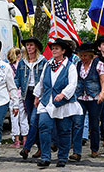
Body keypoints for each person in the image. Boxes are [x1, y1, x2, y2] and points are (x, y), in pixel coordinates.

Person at [33, 38, 83, 168]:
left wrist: (63, 94)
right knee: (44, 127)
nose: (54, 50)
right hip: (47, 101)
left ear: (63, 51)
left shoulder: (70, 67)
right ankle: (45, 157)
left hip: (64, 104)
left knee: (64, 130)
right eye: (53, 48)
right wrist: (37, 96)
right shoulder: (47, 64)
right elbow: (42, 81)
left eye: (56, 48)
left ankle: (62, 157)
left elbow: (73, 84)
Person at [16, 37, 47, 159]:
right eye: (27, 45)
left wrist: (39, 94)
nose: (29, 47)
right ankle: (40, 148)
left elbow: (45, 79)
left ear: (36, 47)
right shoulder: (23, 62)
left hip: (38, 93)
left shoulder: (43, 61)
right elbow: (18, 77)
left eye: (31, 45)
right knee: (31, 121)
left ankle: (26, 148)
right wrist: (13, 90)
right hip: (27, 93)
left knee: (34, 119)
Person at [75, 42, 104, 158]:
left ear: (91, 55)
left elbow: (103, 81)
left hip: (94, 98)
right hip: (80, 98)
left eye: (85, 56)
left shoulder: (99, 65)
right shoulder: (77, 65)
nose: (83, 58)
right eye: (81, 55)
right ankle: (77, 152)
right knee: (78, 124)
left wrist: (102, 93)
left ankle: (94, 149)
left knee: (94, 124)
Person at [7, 47, 29, 148]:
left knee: (14, 118)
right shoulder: (22, 66)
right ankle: (25, 140)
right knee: (23, 118)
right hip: (22, 94)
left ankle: (16, 140)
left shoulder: (8, 67)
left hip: (13, 95)